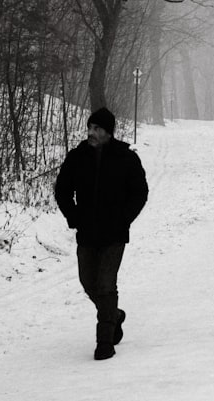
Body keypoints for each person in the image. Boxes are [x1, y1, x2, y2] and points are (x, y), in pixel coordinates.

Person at [55, 107, 148, 361]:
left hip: (114, 234)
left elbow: (140, 192)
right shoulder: (77, 157)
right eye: (90, 128)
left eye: (97, 129)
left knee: (106, 284)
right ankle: (114, 315)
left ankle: (104, 343)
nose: (91, 133)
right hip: (87, 232)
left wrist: (124, 219)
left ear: (108, 132)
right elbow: (62, 189)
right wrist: (73, 216)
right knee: (88, 282)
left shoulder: (125, 158)